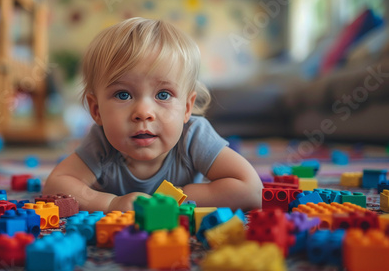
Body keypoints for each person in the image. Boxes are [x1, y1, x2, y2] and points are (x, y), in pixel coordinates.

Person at [43, 17, 262, 213]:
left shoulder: (193, 136)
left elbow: (252, 190)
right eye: (123, 94)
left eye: (164, 94)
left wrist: (175, 198)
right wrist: (109, 204)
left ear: (187, 108)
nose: (143, 113)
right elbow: (56, 186)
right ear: (96, 110)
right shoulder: (101, 142)